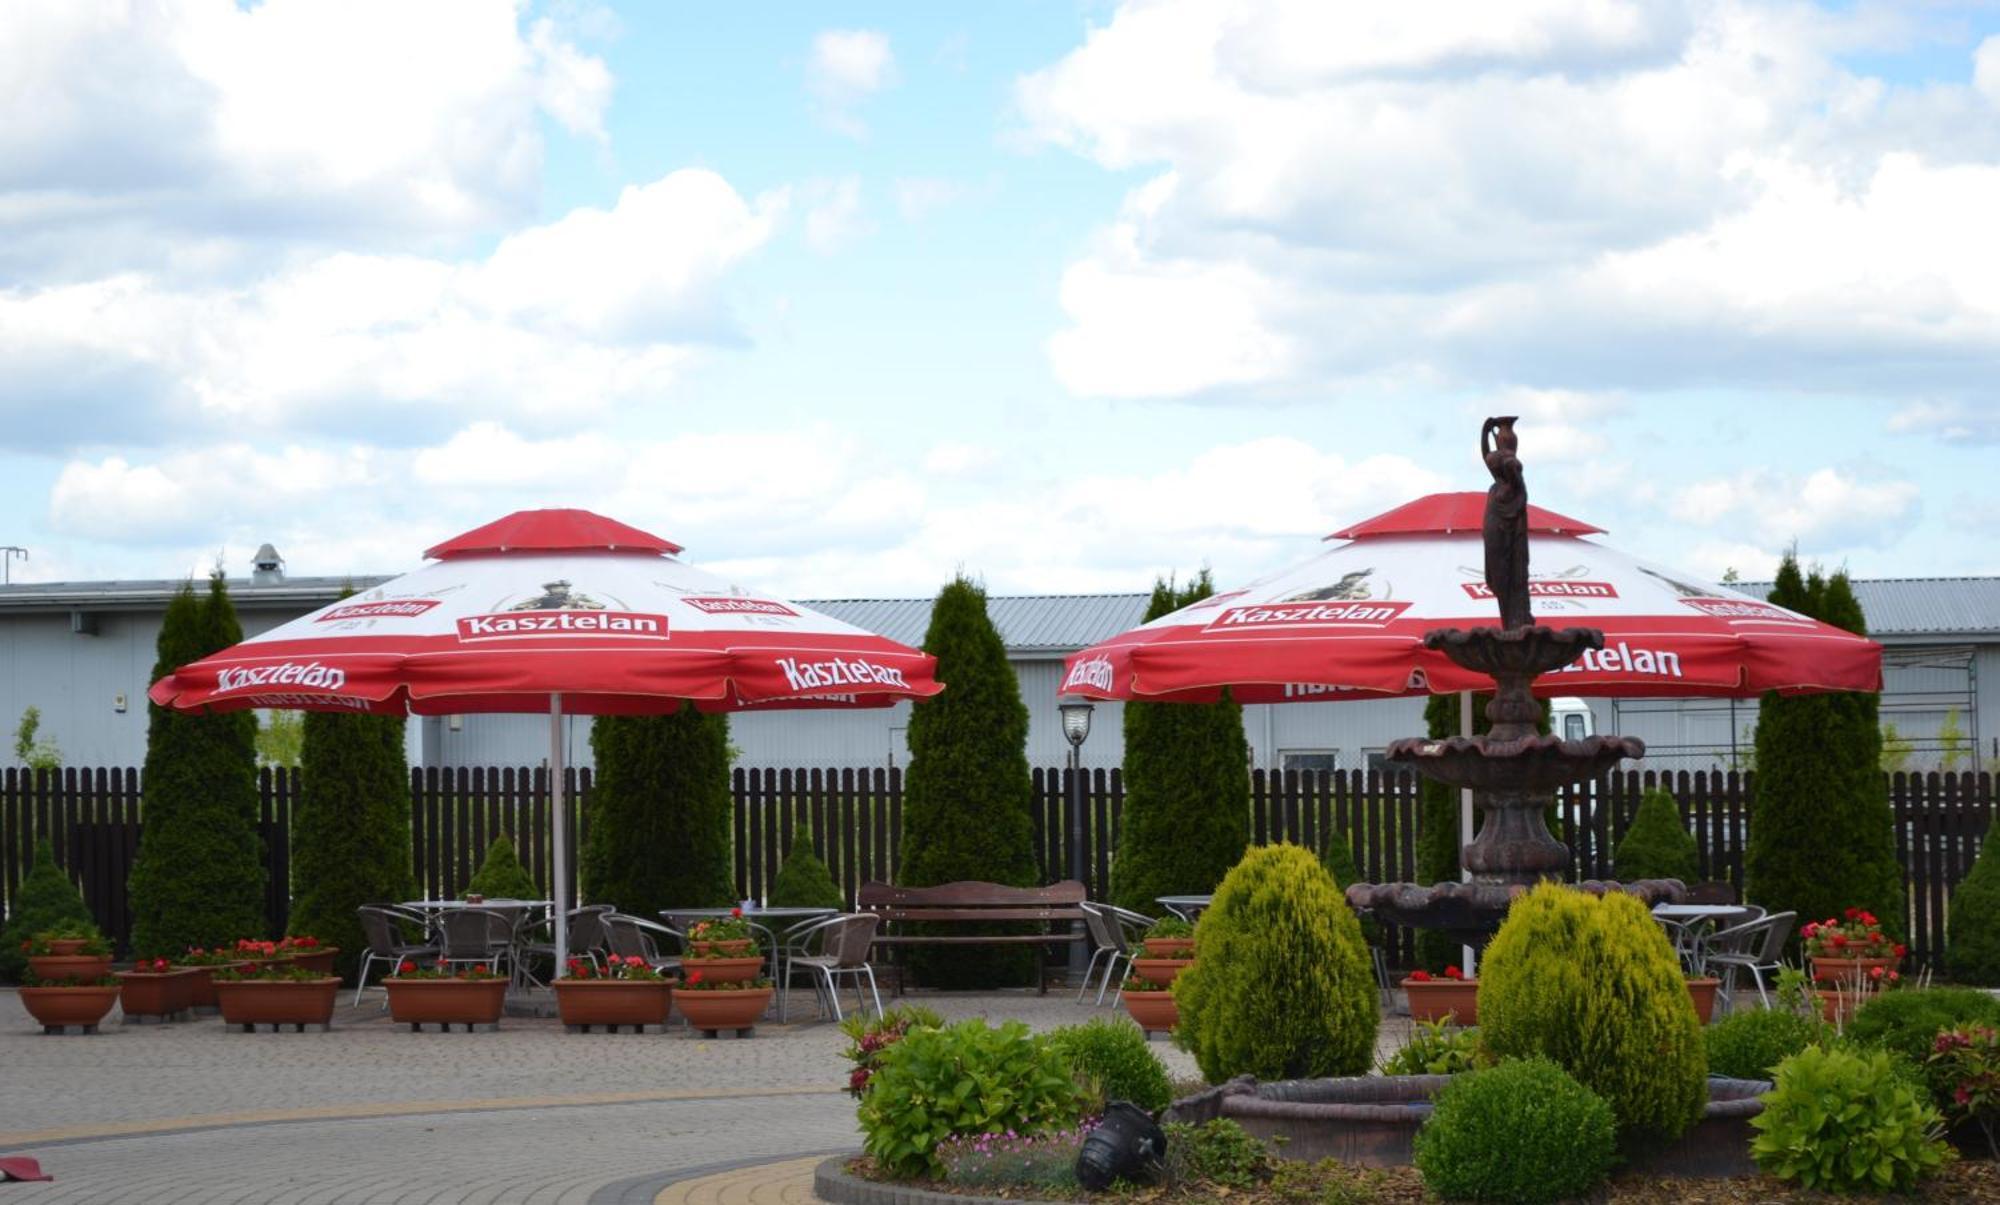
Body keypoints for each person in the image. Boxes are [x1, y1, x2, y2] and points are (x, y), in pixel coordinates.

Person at [1481, 416, 1531, 629]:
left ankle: (1515, 618)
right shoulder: (1497, 487)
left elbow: (1508, 466)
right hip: (1494, 533)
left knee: (1507, 578)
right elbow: (1487, 457)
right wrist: (1485, 433)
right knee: (1495, 577)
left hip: (1505, 537)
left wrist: (1510, 461)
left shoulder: (1512, 487)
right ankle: (1509, 618)